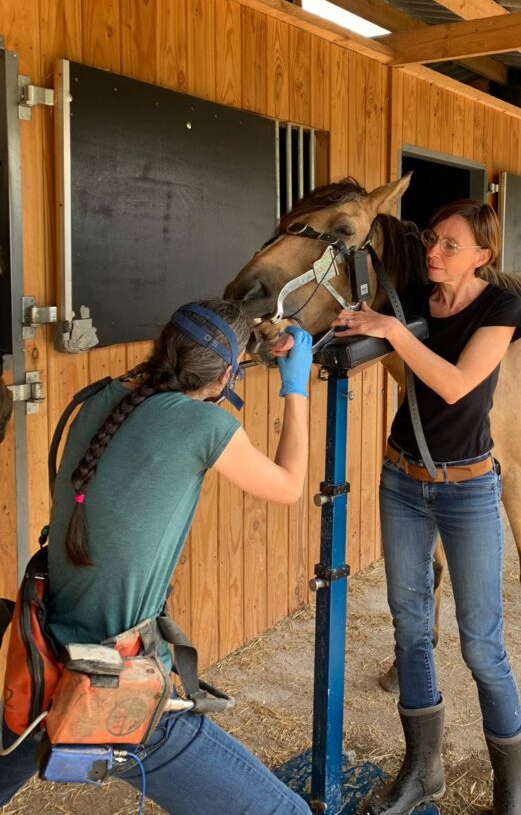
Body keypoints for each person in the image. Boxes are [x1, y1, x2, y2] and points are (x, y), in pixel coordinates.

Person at [1, 298, 313, 815]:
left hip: (42, 661)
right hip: (113, 685)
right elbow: (288, 486)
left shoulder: (100, 396)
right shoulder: (203, 426)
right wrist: (295, 386)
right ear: (227, 377)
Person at [332, 200, 521, 815]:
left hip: (468, 490)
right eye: (431, 241)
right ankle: (422, 770)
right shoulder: (416, 294)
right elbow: (357, 320)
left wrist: (392, 329)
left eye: (449, 245)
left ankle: (512, 791)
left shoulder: (502, 309)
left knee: (481, 643)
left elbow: (452, 383)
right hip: (402, 482)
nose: (434, 253)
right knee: (411, 628)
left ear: (483, 257)